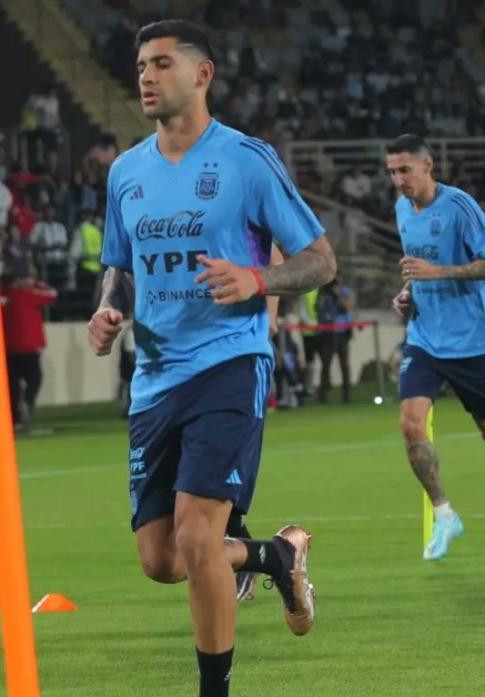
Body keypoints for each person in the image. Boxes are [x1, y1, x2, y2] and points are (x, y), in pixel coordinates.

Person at [85, 21, 335, 697]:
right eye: (141, 63)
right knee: (162, 560)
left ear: (203, 75)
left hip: (228, 363)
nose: (146, 75)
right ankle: (275, 554)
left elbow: (320, 259)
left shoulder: (246, 161)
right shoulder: (126, 173)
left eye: (162, 63)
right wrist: (110, 306)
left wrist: (258, 280)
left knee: (198, 542)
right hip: (155, 376)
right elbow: (119, 265)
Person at [386, 134, 485, 561]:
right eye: (392, 172)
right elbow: (418, 270)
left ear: (427, 165)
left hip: (471, 339)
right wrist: (409, 292)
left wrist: (437, 273)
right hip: (425, 336)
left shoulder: (459, 206)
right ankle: (445, 514)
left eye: (405, 170)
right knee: (411, 423)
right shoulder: (401, 210)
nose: (398, 180)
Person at [2, 268, 56, 430]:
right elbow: (52, 294)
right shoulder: (28, 295)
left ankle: (16, 419)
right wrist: (35, 283)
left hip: (8, 349)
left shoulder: (5, 297)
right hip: (28, 348)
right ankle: (27, 404)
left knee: (12, 386)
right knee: (34, 379)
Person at [315, 273, 354, 403]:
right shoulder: (324, 292)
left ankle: (346, 393)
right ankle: (323, 393)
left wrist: (338, 295)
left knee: (344, 363)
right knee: (326, 363)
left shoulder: (344, 291)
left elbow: (348, 307)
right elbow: (319, 309)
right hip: (327, 332)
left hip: (342, 332)